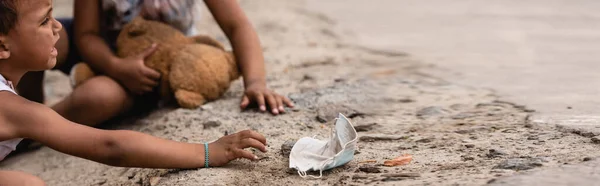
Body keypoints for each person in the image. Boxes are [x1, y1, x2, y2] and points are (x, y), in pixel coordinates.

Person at [0, 0, 268, 185]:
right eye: (45, 20)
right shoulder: (14, 109)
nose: (57, 26)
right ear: (3, 47)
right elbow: (111, 147)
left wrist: (255, 81)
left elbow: (237, 23)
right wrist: (208, 152)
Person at [16, 0, 294, 127]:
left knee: (99, 96)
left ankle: (33, 130)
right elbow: (86, 35)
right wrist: (114, 65)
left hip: (156, 66)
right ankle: (22, 106)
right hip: (103, 47)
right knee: (35, 38)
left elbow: (237, 26)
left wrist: (256, 82)